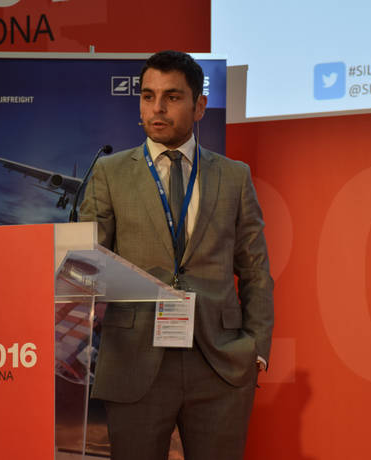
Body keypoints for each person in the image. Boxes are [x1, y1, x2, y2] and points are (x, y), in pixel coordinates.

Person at [80, 50, 274, 460]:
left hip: (219, 362)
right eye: (148, 96)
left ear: (199, 105)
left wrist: (255, 348)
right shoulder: (109, 173)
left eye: (171, 96)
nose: (157, 108)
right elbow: (87, 262)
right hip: (135, 360)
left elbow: (255, 269)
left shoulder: (234, 176)